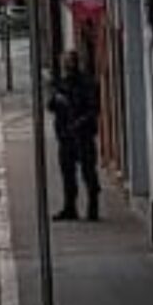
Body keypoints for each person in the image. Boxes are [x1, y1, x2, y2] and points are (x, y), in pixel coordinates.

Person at [51, 52, 102, 222]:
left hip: (82, 135)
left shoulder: (86, 83)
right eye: (63, 63)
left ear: (74, 63)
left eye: (67, 63)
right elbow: (51, 105)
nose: (65, 66)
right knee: (67, 174)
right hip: (65, 136)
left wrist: (78, 124)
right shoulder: (62, 83)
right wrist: (56, 99)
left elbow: (93, 110)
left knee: (88, 172)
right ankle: (69, 207)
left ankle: (93, 208)